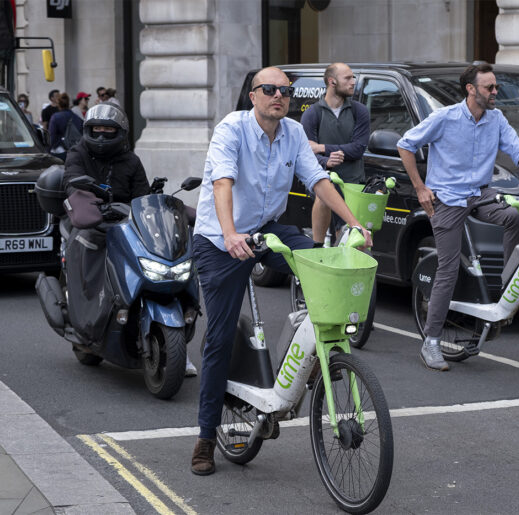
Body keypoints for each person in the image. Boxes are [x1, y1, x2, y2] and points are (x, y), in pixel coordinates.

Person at [189, 66, 372, 476]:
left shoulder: (291, 133)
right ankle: (205, 437)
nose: (279, 96)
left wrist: (353, 222)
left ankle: (312, 354)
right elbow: (222, 183)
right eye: (269, 89)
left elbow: (319, 181)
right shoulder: (231, 129)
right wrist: (232, 233)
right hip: (222, 240)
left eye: (286, 91)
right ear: (253, 95)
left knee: (320, 260)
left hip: (267, 229)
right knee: (218, 339)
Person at [396, 63, 519, 372]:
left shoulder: (496, 119)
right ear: (471, 90)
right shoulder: (445, 118)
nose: (495, 92)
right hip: (446, 198)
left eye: (496, 87)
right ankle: (431, 341)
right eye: (490, 88)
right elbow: (405, 145)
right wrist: (420, 188)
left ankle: (508, 286)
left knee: (514, 217)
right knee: (448, 268)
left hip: (480, 193)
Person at [61, 103, 198, 377]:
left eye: (108, 131)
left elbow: (142, 197)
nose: (101, 137)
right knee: (86, 242)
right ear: (87, 131)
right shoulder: (77, 154)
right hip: (88, 222)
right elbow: (72, 182)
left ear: (120, 133)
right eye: (96, 131)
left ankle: (177, 345)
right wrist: (88, 202)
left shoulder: (131, 161)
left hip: (125, 223)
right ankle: (87, 319)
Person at [300, 62, 370, 244]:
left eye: (353, 77)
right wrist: (326, 161)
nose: (353, 82)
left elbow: (358, 148)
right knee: (324, 197)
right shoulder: (312, 114)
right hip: (324, 180)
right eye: (347, 78)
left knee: (350, 239)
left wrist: (322, 148)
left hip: (353, 183)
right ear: (332, 82)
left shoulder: (359, 111)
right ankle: (317, 247)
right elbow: (306, 153)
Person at [48, 93, 82, 161]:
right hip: (75, 150)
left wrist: (48, 150)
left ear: (58, 104)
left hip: (59, 151)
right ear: (68, 103)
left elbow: (52, 136)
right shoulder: (77, 117)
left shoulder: (55, 117)